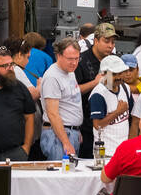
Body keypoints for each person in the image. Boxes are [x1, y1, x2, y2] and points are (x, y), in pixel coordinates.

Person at [74, 21, 116, 159]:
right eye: (106, 41)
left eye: (113, 42)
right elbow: (73, 91)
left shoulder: (112, 62)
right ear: (96, 41)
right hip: (86, 126)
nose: (110, 46)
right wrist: (94, 83)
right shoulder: (81, 61)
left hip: (109, 125)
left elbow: (113, 89)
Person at [39, 36, 84, 162]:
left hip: (70, 132)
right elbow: (52, 114)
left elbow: (71, 101)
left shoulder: (70, 71)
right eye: (70, 59)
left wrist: (75, 128)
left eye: (77, 58)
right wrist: (66, 141)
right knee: (59, 177)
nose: (74, 63)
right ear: (58, 56)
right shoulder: (53, 77)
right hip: (58, 135)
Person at [89, 55, 135, 159]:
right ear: (104, 74)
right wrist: (117, 112)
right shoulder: (98, 94)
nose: (118, 77)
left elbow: (132, 118)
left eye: (120, 73)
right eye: (114, 74)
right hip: (106, 152)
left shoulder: (125, 88)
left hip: (124, 150)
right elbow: (98, 125)